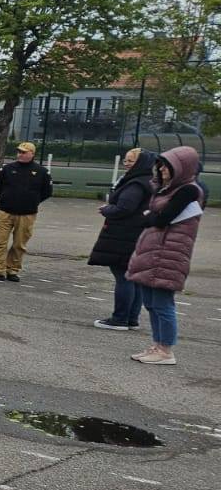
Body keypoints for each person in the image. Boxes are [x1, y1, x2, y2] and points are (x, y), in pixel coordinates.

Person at [125, 147, 205, 366]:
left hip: (168, 253)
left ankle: (166, 349)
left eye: (167, 165)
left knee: (162, 303)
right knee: (150, 302)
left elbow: (161, 219)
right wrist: (152, 216)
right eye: (160, 165)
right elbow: (154, 217)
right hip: (154, 251)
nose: (162, 169)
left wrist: (151, 216)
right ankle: (157, 344)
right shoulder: (166, 189)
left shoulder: (188, 190)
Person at [87, 149, 156, 331]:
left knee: (124, 276)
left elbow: (124, 208)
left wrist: (107, 209)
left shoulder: (135, 184)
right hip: (137, 234)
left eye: (131, 160)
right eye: (125, 160)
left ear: (141, 163)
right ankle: (131, 318)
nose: (126, 163)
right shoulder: (148, 181)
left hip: (125, 236)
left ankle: (119, 318)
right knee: (135, 278)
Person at [0, 141, 52, 282]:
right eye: (19, 151)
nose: (20, 154)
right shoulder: (8, 169)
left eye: (24, 152)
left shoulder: (41, 172)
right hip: (6, 212)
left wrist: (32, 201)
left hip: (27, 214)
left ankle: (12, 270)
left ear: (32, 154)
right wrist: (7, 198)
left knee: (19, 244)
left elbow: (47, 192)